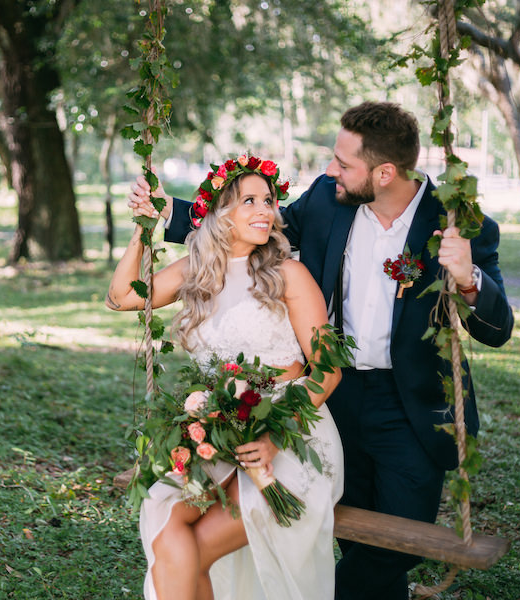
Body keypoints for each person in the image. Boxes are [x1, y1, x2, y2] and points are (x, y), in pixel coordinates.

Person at [128, 102, 515, 600]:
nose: (330, 170)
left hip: (411, 405)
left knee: (399, 540)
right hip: (330, 396)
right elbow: (259, 223)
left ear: (384, 172)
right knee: (349, 537)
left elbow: (498, 329)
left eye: (343, 162)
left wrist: (468, 280)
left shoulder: (458, 223)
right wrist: (170, 211)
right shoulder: (329, 203)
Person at [107, 155, 344, 600]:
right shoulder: (198, 272)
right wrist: (144, 228)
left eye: (269, 200)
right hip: (221, 429)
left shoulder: (288, 274)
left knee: (191, 547)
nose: (264, 210)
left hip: (289, 434)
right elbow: (121, 297)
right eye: (248, 200)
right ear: (218, 215)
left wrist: (278, 434)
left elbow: (329, 370)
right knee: (166, 520)